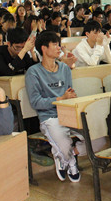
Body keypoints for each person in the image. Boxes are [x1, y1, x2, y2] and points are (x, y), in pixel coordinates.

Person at [25, 32, 89, 182]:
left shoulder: (64, 69)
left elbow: (69, 92)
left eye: (59, 44)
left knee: (96, 138)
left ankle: (62, 156)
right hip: (49, 117)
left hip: (68, 113)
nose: (59, 47)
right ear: (44, 48)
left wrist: (71, 97)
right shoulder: (33, 72)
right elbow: (36, 102)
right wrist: (60, 99)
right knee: (64, 143)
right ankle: (70, 162)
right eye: (54, 44)